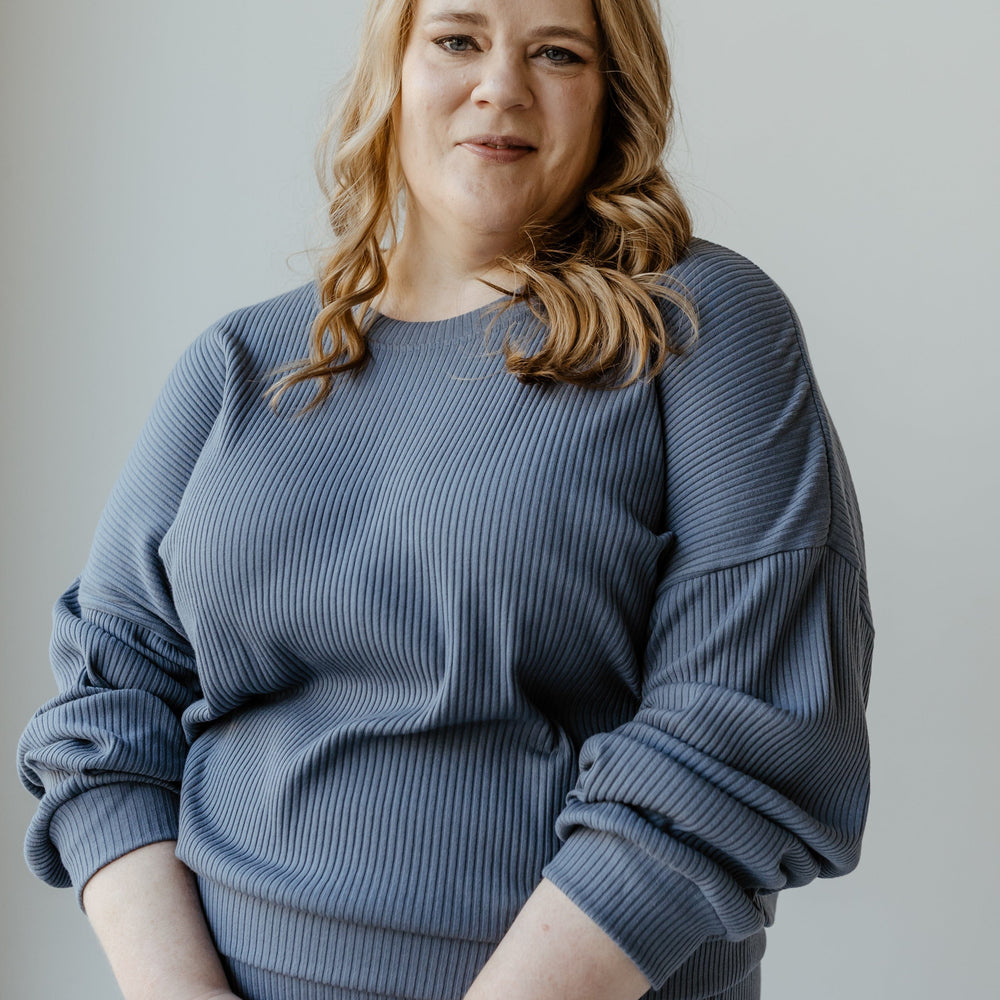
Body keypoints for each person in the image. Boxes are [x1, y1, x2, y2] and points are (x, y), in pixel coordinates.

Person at [16, 0, 873, 998]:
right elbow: (105, 711)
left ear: (612, 97)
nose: (499, 87)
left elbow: (746, 726)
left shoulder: (694, 323)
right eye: (458, 39)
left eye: (556, 52)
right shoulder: (239, 363)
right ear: (392, 73)